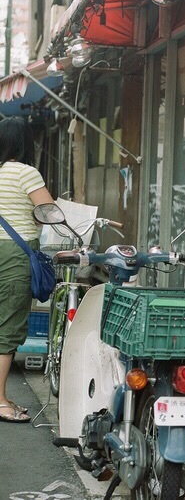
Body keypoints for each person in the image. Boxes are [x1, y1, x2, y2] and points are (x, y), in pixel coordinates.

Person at [0, 117, 55, 423]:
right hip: (13, 254)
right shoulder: (25, 173)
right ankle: (0, 401)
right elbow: (48, 212)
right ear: (26, 143)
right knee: (7, 324)